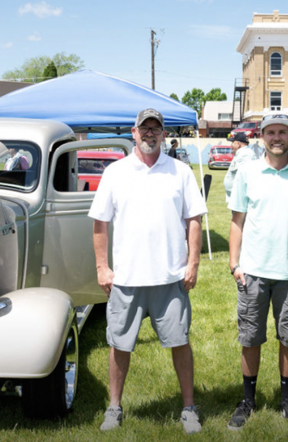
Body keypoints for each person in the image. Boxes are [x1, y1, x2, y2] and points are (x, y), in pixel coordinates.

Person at [89, 108, 207, 434]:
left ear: (164, 134)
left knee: (180, 342)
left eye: (156, 128)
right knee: (119, 344)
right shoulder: (115, 172)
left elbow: (194, 220)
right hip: (126, 278)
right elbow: (100, 224)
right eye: (145, 128)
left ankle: (189, 409)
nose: (150, 133)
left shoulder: (180, 171)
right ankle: (114, 408)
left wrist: (193, 263)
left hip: (171, 276)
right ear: (134, 132)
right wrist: (102, 268)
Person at [226, 113, 288, 429]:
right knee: (250, 337)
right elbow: (237, 220)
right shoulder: (248, 172)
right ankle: (248, 400)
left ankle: (287, 400)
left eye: (283, 132)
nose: (277, 137)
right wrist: (234, 263)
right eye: (271, 132)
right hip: (252, 271)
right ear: (262, 137)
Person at [223, 132, 260, 205]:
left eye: (233, 142)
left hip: (241, 199)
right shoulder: (242, 153)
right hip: (237, 197)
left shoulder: (245, 155)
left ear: (238, 144)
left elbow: (245, 177)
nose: (231, 145)